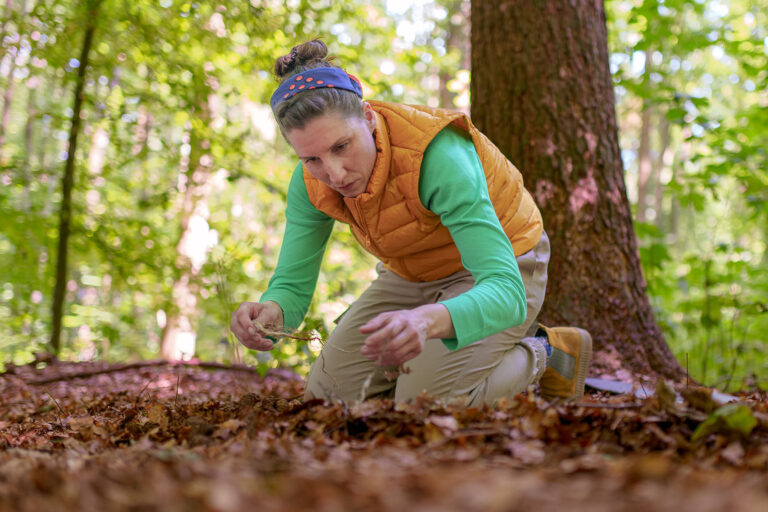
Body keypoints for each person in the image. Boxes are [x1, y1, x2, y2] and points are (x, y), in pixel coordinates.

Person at [230, 40, 591, 405]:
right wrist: (272, 312)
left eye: (342, 146)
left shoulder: (436, 155)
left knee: (430, 404)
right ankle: (416, 376)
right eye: (312, 159)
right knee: (327, 399)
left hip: (503, 264)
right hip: (411, 274)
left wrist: (426, 321)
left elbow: (505, 291)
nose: (334, 173)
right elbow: (292, 283)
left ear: (368, 117)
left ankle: (549, 351)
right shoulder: (309, 184)